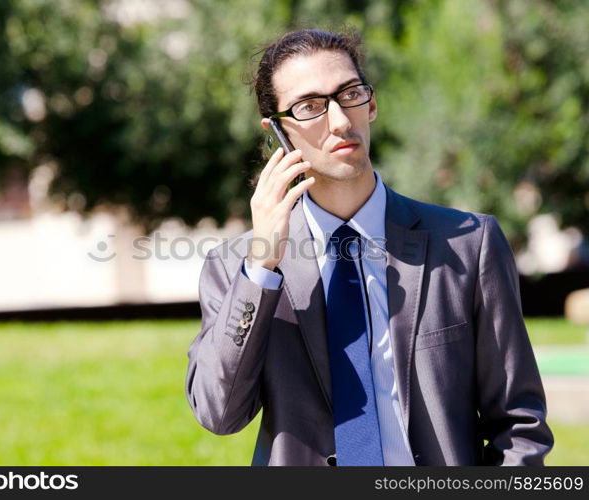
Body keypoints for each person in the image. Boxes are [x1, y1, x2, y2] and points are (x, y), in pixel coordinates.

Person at [185, 28, 553, 466]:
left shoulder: (469, 244)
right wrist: (263, 263)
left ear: (372, 104)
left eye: (351, 94)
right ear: (277, 132)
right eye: (310, 107)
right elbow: (218, 413)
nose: (340, 121)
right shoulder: (236, 267)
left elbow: (519, 425)